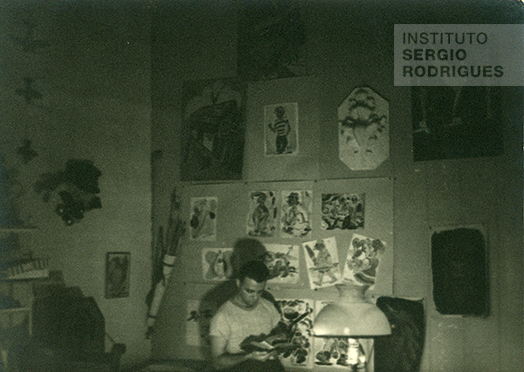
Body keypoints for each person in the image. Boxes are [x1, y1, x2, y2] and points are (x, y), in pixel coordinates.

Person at [209, 260, 285, 372]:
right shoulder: (222, 317)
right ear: (238, 283)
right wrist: (248, 356)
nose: (255, 297)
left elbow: (278, 330)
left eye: (259, 292)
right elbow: (217, 363)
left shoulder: (267, 304)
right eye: (249, 291)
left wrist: (279, 340)